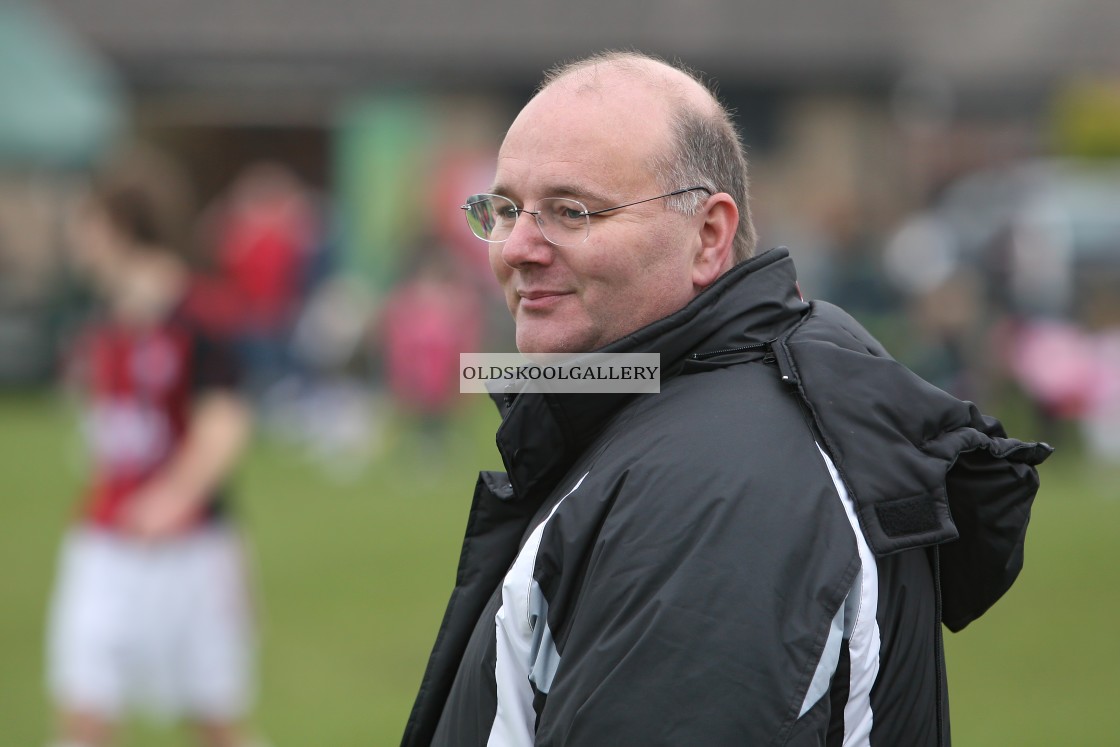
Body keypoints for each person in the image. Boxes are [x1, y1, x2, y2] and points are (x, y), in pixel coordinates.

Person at [401, 51, 1052, 746]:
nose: (516, 248)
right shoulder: (689, 409)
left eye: (570, 210)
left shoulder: (712, 491)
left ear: (708, 236)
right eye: (504, 209)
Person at [46, 166, 261, 747]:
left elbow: (225, 420)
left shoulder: (199, 314)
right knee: (84, 713)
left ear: (118, 226)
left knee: (215, 723)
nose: (77, 238)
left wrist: (172, 496)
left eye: (86, 223)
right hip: (105, 540)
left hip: (190, 548)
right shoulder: (105, 320)